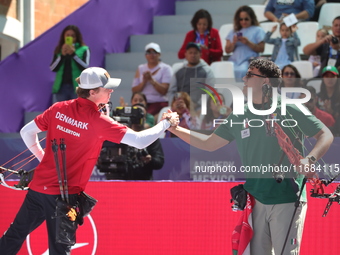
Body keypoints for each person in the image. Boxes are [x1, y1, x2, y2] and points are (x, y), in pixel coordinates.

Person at [0, 67, 178, 254]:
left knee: (14, 235)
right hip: (63, 196)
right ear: (92, 92)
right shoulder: (98, 121)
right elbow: (140, 141)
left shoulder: (58, 108)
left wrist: (43, 159)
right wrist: (166, 123)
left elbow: (25, 132)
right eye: (106, 88)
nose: (111, 90)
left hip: (38, 188)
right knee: (60, 250)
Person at [166, 59, 333, 254]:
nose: (244, 78)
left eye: (250, 75)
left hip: (288, 198)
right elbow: (208, 144)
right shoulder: (239, 114)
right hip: (255, 200)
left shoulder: (290, 107)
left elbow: (325, 134)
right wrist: (174, 128)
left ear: (266, 81)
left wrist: (310, 159)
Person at [103, 104, 165, 180]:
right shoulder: (119, 134)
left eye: (140, 115)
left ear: (145, 118)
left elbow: (159, 162)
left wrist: (150, 160)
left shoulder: (151, 136)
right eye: (134, 115)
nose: (136, 118)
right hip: (117, 179)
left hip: (142, 180)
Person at [168, 42, 214, 110]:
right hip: (179, 106)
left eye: (195, 53)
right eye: (190, 53)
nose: (193, 55)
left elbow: (210, 91)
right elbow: (171, 91)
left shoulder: (207, 71)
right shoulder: (178, 71)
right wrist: (173, 104)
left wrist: (198, 104)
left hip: (199, 107)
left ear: (200, 54)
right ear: (186, 54)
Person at [50, 25, 90, 103]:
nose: (70, 37)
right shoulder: (59, 50)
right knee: (60, 112)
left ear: (77, 37)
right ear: (63, 37)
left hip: (77, 87)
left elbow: (85, 66)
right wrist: (62, 55)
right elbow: (53, 68)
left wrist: (73, 54)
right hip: (60, 87)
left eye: (73, 36)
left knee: (76, 112)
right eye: (67, 35)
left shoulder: (84, 49)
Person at [225, 5, 265, 81]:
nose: (243, 21)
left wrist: (247, 42)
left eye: (246, 19)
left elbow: (261, 49)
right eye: (241, 19)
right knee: (227, 71)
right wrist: (233, 43)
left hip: (248, 61)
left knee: (242, 71)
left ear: (251, 18)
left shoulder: (258, 30)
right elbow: (227, 50)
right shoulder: (233, 31)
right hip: (234, 60)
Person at [132, 42, 172, 116]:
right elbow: (134, 90)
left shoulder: (166, 68)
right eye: (148, 52)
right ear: (145, 55)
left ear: (159, 54)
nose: (151, 55)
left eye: (154, 52)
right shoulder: (140, 68)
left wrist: (152, 81)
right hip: (143, 102)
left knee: (144, 115)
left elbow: (164, 91)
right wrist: (144, 82)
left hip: (158, 102)